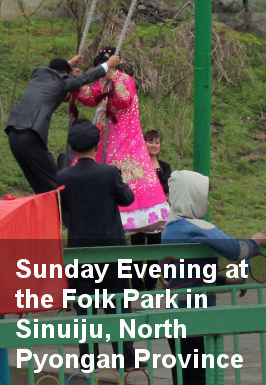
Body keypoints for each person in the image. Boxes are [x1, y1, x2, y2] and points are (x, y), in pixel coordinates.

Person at [161, 170, 266, 385]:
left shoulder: (169, 228)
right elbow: (235, 250)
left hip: (175, 313)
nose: (208, 203)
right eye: (204, 197)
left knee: (183, 375)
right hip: (197, 317)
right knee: (200, 377)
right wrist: (254, 241)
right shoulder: (196, 227)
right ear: (192, 196)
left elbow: (181, 276)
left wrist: (224, 281)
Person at [56, 119, 137, 370]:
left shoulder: (63, 176)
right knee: (118, 305)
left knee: (84, 308)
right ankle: (125, 357)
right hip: (112, 250)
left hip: (80, 251)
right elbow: (127, 198)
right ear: (96, 145)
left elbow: (62, 211)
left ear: (72, 146)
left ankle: (88, 360)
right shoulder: (109, 172)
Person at [75, 47, 170, 234]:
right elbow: (90, 98)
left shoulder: (125, 80)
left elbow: (124, 100)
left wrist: (113, 84)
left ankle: (133, 216)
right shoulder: (103, 80)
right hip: (107, 131)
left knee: (129, 172)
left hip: (126, 133)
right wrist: (79, 83)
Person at [6, 54, 119, 194]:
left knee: (38, 182)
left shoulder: (38, 74)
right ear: (64, 74)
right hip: (30, 135)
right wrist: (107, 64)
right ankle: (62, 213)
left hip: (12, 134)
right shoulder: (62, 82)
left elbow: (55, 72)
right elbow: (85, 78)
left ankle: (47, 210)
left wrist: (68, 63)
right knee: (55, 183)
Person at [128, 130, 173, 292]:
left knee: (155, 249)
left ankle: (151, 283)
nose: (154, 145)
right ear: (143, 143)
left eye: (157, 142)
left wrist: (150, 187)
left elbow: (168, 186)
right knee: (137, 250)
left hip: (158, 216)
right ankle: (137, 285)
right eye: (150, 142)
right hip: (139, 214)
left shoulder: (165, 166)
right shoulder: (137, 164)